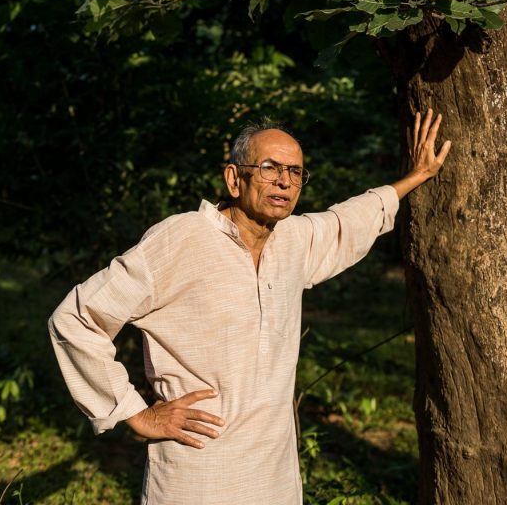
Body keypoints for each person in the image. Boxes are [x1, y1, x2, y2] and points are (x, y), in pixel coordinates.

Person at [49, 109, 450, 505]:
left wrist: (416, 175)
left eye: (295, 172)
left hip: (273, 474)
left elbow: (347, 221)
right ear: (233, 178)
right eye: (269, 167)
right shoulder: (182, 238)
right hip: (197, 471)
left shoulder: (292, 240)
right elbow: (76, 319)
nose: (284, 181)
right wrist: (135, 413)